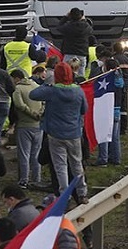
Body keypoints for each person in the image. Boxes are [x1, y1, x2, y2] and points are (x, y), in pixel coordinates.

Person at [28, 62, 89, 204]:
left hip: (55, 134)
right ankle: (82, 193)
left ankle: (64, 195)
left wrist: (48, 84)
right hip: (74, 133)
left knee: (60, 166)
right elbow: (84, 110)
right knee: (77, 164)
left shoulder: (52, 91)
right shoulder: (78, 91)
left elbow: (33, 94)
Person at [10, 69, 43, 189]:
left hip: (24, 125)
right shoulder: (36, 85)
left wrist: (30, 113)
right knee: (36, 153)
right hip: (38, 125)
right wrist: (39, 114)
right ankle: (36, 178)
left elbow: (19, 105)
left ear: (16, 78)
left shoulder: (18, 89)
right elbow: (43, 102)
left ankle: (24, 180)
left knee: (24, 154)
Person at [95, 58, 124, 167]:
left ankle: (103, 158)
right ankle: (116, 158)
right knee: (115, 136)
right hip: (117, 110)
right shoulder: (119, 80)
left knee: (104, 134)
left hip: (106, 110)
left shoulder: (106, 81)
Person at [57, 8, 94, 77]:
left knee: (65, 74)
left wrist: (65, 18)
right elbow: (91, 30)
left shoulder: (68, 26)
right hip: (81, 54)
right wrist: (84, 20)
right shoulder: (85, 27)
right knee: (80, 75)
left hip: (69, 53)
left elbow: (59, 27)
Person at [111, 42, 128, 134]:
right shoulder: (127, 60)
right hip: (125, 85)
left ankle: (116, 126)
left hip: (116, 86)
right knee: (123, 107)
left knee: (116, 105)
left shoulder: (114, 60)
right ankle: (124, 127)